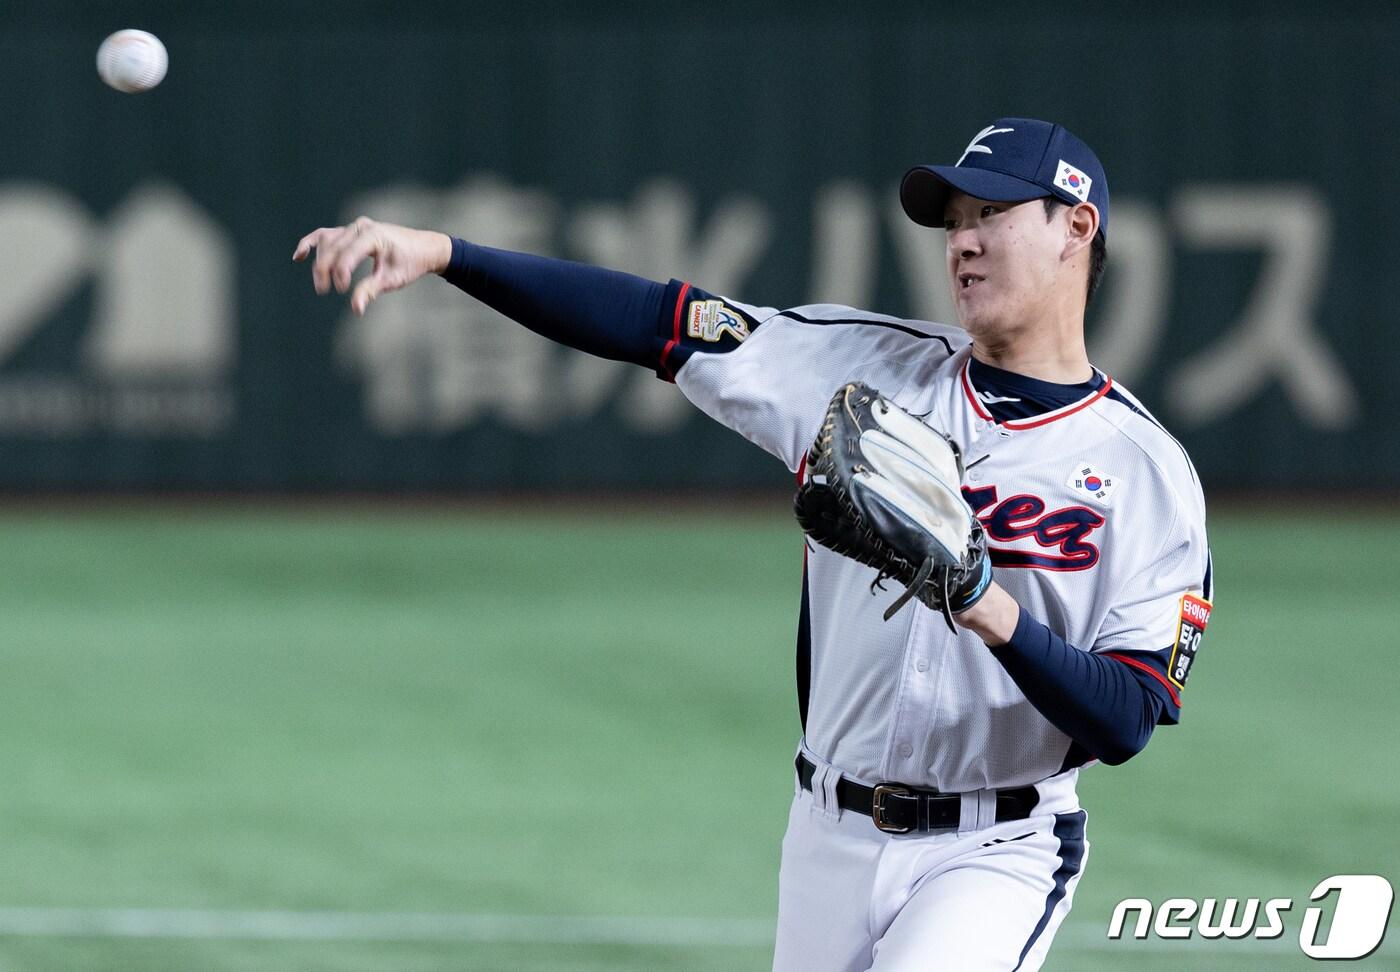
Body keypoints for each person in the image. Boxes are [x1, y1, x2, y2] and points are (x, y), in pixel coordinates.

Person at [295, 117, 1212, 971]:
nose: (962, 242)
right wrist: (447, 254)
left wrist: (983, 600)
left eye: (992, 215)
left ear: (1076, 227)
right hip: (827, 832)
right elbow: (660, 319)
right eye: (953, 222)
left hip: (997, 848)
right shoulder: (856, 366)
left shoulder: (1144, 471)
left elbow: (1128, 715)